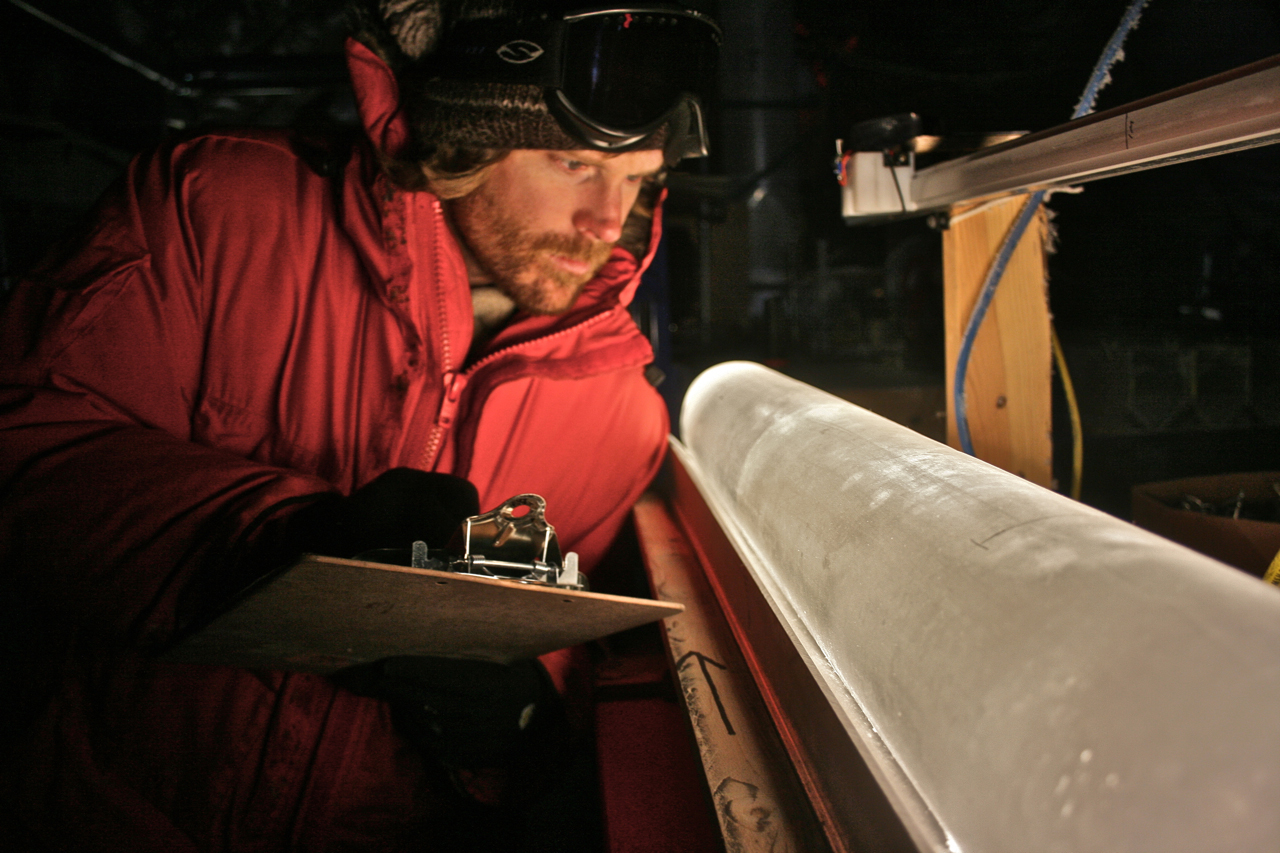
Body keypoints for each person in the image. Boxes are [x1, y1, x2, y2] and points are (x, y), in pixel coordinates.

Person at [0, 1, 720, 849]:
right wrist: (276, 539)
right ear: (467, 138)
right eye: (574, 163)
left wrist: (527, 711)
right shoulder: (218, 213)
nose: (609, 221)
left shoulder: (617, 413)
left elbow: (563, 627)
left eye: (638, 178)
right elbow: (28, 435)